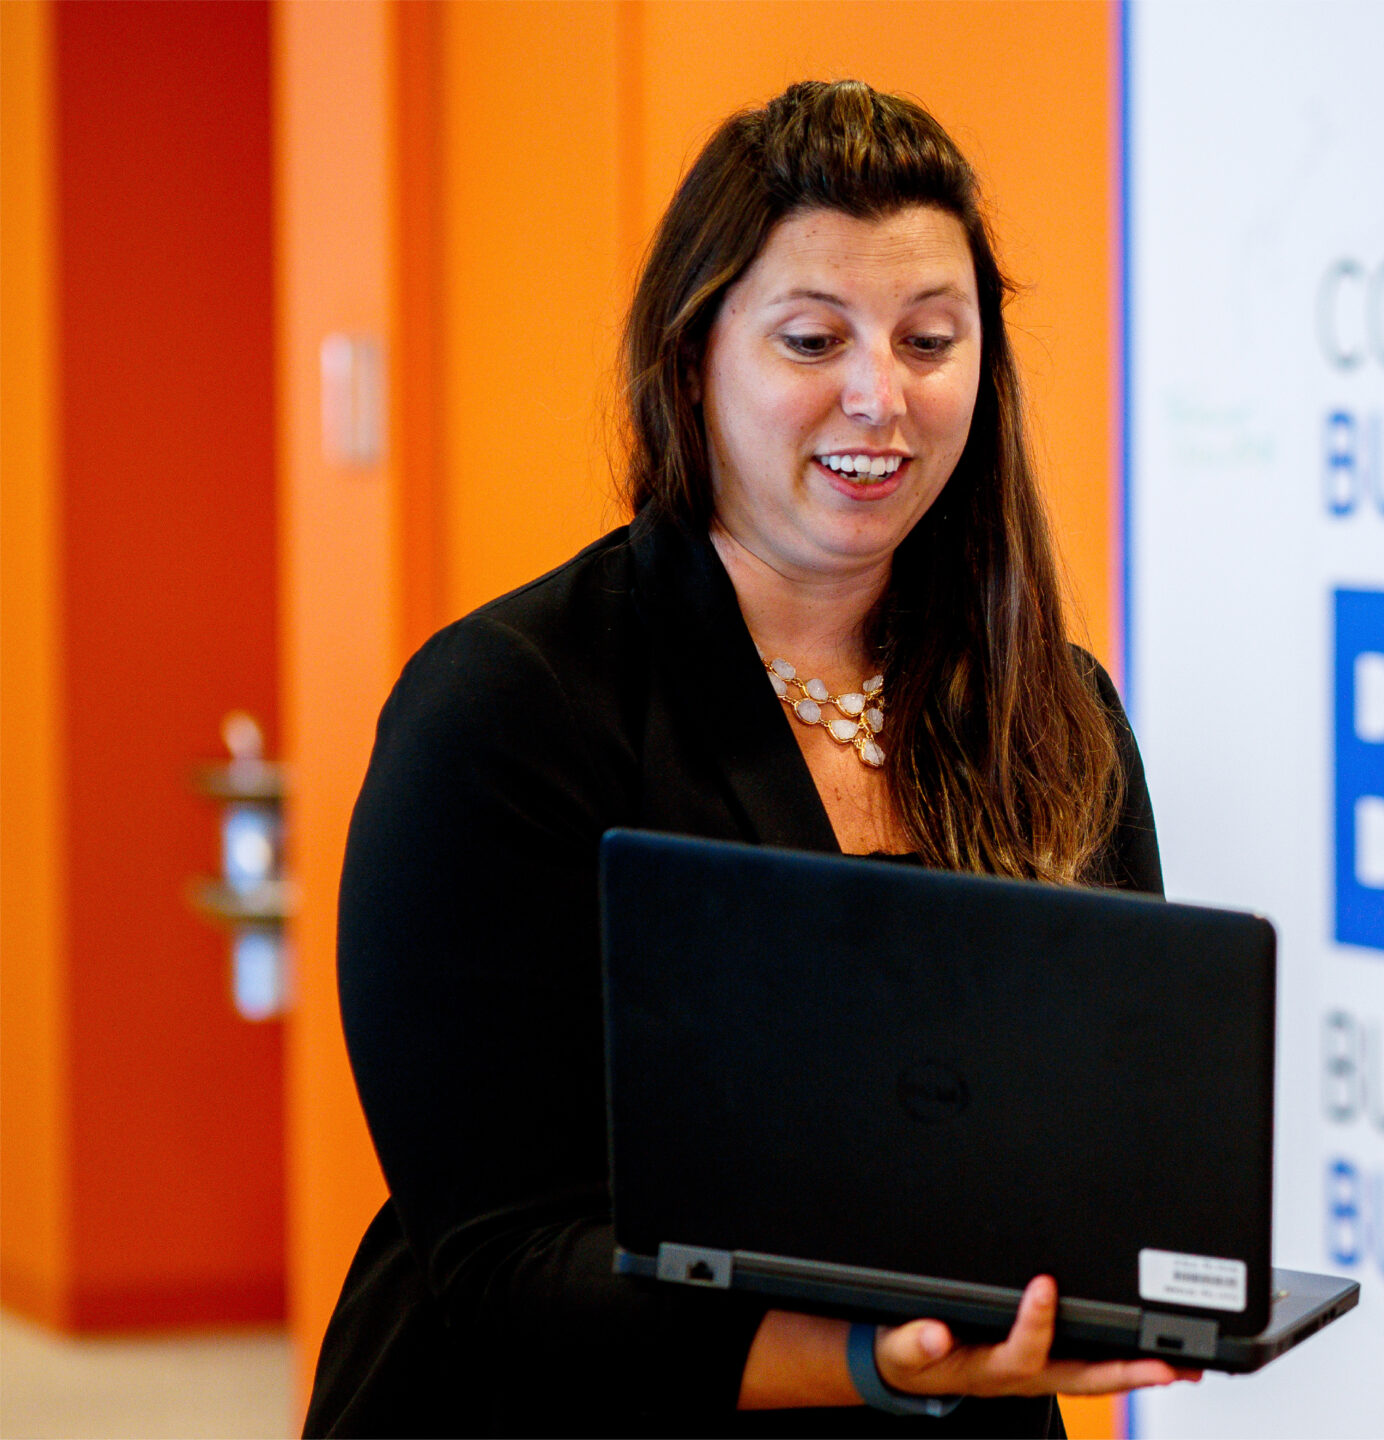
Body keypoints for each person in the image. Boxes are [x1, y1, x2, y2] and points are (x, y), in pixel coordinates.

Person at [306, 80, 1192, 1437]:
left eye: (929, 338)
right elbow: (499, 1262)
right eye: (811, 338)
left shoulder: (1052, 711)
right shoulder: (506, 709)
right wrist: (870, 1361)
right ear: (694, 355)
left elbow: (1091, 1151)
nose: (877, 394)